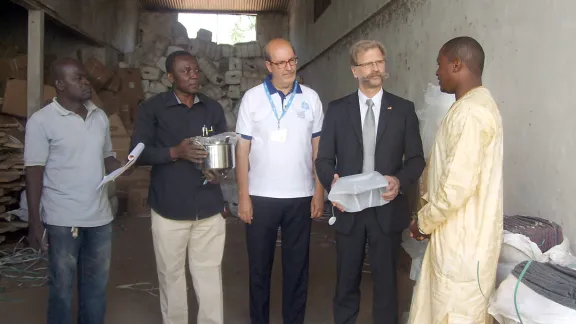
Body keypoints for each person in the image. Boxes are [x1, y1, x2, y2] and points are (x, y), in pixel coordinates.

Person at [315, 40, 425, 324]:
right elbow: (323, 160)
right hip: (348, 209)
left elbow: (416, 159)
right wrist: (333, 185)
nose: (376, 69)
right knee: (346, 282)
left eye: (379, 62)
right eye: (368, 63)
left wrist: (399, 181)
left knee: (387, 285)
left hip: (386, 209)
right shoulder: (338, 110)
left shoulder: (402, 110)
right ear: (355, 71)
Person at [407, 36, 503, 324]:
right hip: (454, 238)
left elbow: (456, 189)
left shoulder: (473, 113)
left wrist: (423, 222)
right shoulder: (467, 107)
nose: (437, 72)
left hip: (463, 245)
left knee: (453, 314)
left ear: (457, 64)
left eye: (440, 64)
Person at [24, 58, 126, 324]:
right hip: (62, 219)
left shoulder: (99, 116)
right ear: (59, 85)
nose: (86, 82)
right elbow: (34, 172)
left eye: (85, 77)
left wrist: (126, 165)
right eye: (78, 78)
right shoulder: (42, 121)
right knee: (61, 290)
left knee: (95, 291)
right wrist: (35, 221)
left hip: (100, 218)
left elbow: (107, 157)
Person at [130, 51, 228, 324]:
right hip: (169, 208)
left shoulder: (212, 109)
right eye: (186, 71)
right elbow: (137, 154)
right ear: (170, 77)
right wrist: (174, 152)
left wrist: (219, 170)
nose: (194, 75)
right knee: (171, 277)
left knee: (209, 275)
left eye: (196, 69)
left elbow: (223, 151)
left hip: (208, 206)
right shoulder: (153, 108)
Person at [235, 38, 325, 324]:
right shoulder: (252, 98)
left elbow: (318, 150)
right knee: (259, 269)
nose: (289, 67)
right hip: (260, 197)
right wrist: (244, 195)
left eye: (292, 61)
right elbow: (242, 149)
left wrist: (318, 191)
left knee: (297, 268)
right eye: (281, 62)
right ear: (268, 65)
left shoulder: (310, 98)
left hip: (300, 196)